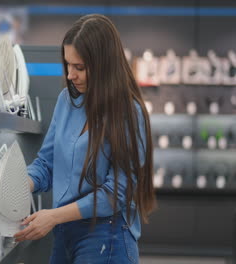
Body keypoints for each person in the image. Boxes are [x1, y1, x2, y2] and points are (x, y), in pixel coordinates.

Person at [13, 14, 156, 263]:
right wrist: (10, 187)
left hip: (107, 236)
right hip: (64, 232)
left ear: (104, 65)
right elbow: (46, 166)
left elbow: (115, 194)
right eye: (68, 65)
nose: (70, 75)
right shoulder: (66, 102)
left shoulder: (128, 113)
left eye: (79, 67)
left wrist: (55, 216)